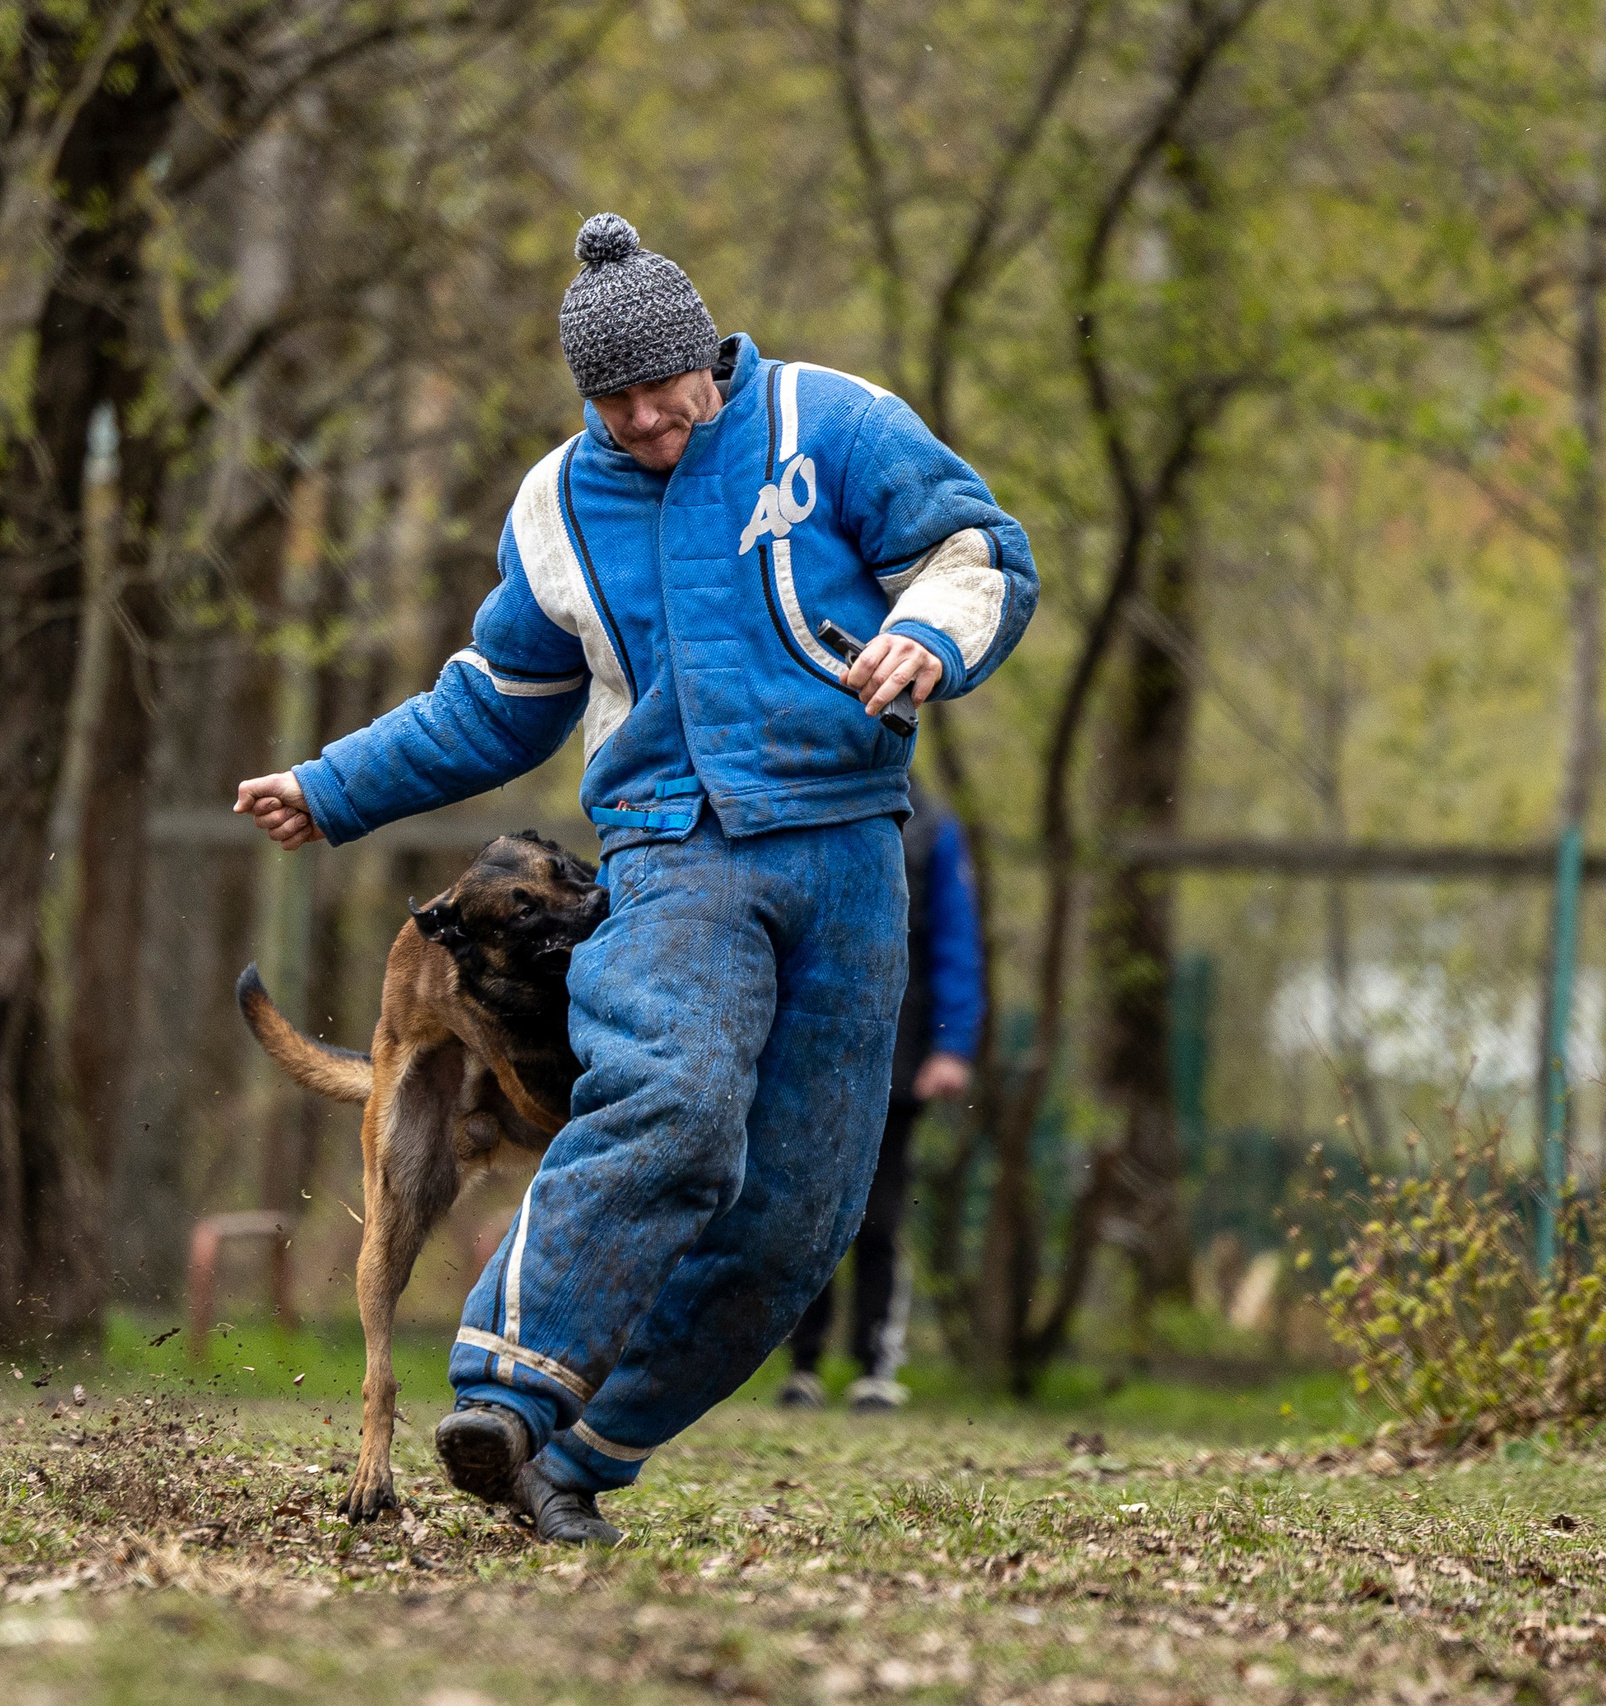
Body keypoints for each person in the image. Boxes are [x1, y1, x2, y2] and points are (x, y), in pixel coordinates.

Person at [234, 213, 1034, 1543]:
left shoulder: (832, 422)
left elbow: (977, 551)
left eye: (665, 390)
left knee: (800, 1214)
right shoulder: (557, 504)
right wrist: (333, 786)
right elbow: (497, 697)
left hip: (847, 845)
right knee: (674, 1093)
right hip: (675, 850)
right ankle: (504, 1392)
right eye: (616, 404)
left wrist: (927, 639)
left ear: (704, 357)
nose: (648, 422)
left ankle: (579, 1456)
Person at [779, 777, 983, 1413]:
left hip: (900, 1050)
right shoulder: (807, 797)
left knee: (880, 1216)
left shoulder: (933, 825)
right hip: (810, 1050)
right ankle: (803, 1365)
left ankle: (875, 1366)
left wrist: (951, 1046)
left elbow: (955, 939)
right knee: (808, 1208)